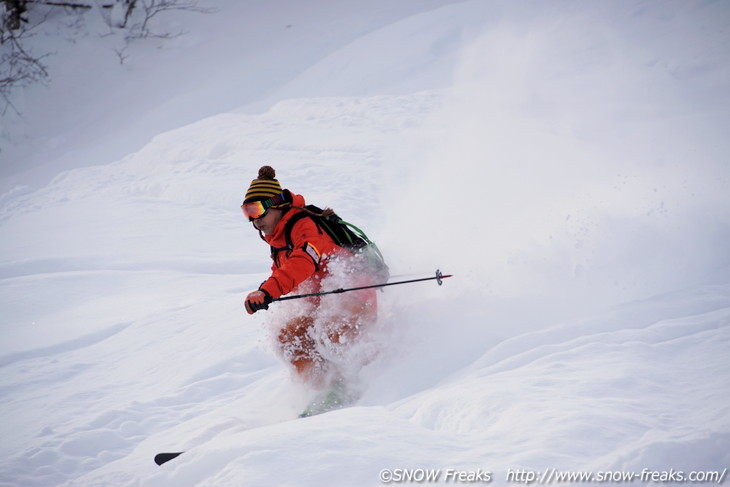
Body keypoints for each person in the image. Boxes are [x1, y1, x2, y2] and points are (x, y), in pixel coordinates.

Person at [241, 165, 378, 409]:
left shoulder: (304, 226)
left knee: (331, 329)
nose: (255, 218)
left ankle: (361, 380)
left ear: (277, 204)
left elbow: (302, 263)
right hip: (325, 303)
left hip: (355, 293)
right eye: (247, 211)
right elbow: (283, 272)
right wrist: (265, 289)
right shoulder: (279, 241)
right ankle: (325, 390)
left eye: (258, 209)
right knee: (288, 337)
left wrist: (269, 290)